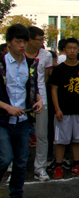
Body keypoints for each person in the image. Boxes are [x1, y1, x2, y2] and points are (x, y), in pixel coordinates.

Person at [0, 24, 43, 198]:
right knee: (4, 157)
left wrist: (38, 100)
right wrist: (7, 107)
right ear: (9, 43)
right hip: (2, 119)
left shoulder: (30, 64)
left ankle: (16, 197)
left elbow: (33, 86)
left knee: (21, 161)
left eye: (25, 41)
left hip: (23, 120)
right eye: (18, 41)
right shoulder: (1, 64)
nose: (22, 45)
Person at [50, 38, 79, 179]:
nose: (72, 51)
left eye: (74, 48)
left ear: (78, 50)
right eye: (69, 48)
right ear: (64, 49)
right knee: (61, 140)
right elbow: (54, 89)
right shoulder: (59, 69)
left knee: (78, 139)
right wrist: (57, 109)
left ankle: (76, 164)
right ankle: (58, 166)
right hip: (63, 110)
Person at [24, 26, 53, 182]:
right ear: (30, 40)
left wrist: (39, 94)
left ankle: (40, 168)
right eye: (40, 39)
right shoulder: (19, 53)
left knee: (42, 135)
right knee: (18, 135)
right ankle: (15, 167)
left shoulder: (46, 55)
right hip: (20, 99)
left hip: (41, 99)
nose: (43, 42)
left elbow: (46, 77)